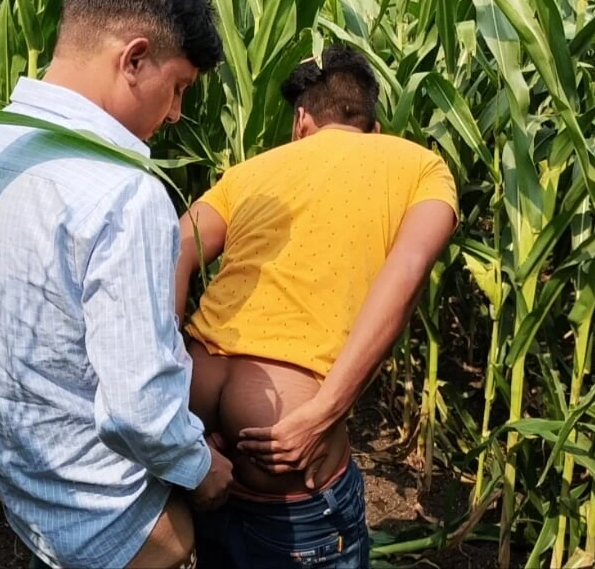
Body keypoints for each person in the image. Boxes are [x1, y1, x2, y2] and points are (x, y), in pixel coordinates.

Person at [0, 0, 233, 567]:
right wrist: (202, 471)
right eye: (179, 88)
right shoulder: (124, 193)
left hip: (26, 493)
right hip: (108, 521)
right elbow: (138, 411)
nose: (175, 114)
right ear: (135, 59)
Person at [174, 45, 460, 568]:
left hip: (200, 437)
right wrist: (325, 412)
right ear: (373, 126)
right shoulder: (420, 166)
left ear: (302, 120)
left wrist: (170, 411)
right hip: (287, 449)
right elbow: (408, 270)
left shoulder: (250, 171)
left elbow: (173, 251)